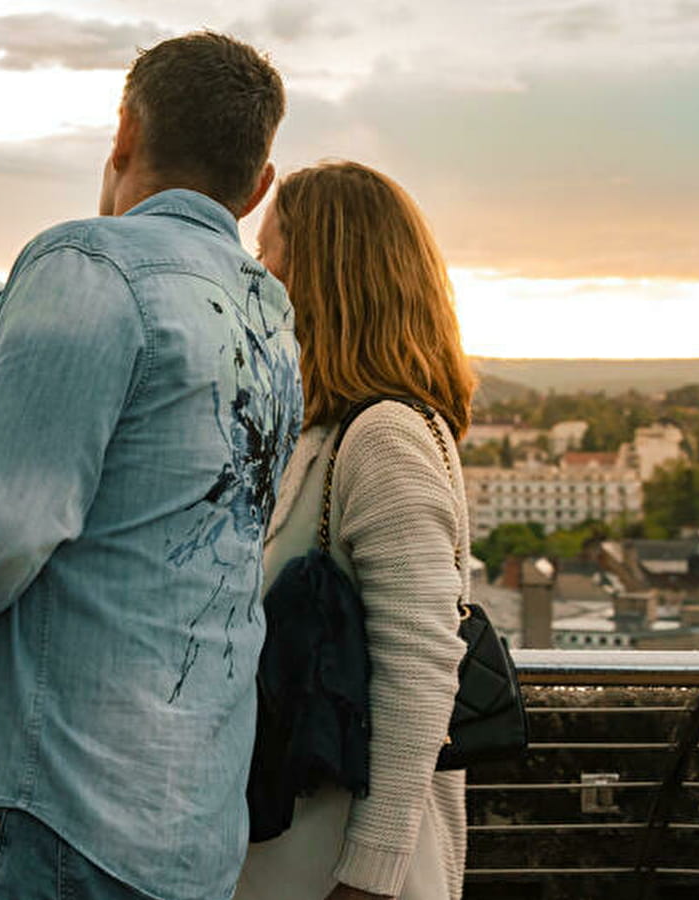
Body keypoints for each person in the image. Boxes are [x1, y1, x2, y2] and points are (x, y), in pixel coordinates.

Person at [0, 31, 302, 900]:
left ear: (121, 138)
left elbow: (5, 523)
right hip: (188, 822)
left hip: (52, 813)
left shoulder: (84, 262)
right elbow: (92, 346)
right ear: (256, 186)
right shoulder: (264, 316)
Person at [234, 161, 477, 900]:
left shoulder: (383, 437)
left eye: (265, 253)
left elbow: (420, 667)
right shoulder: (330, 431)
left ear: (319, 274)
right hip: (297, 846)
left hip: (340, 865)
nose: (252, 274)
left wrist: (369, 875)